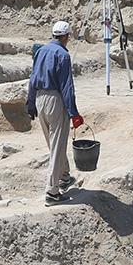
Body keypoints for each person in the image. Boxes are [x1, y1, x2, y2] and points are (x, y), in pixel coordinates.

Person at [26, 21, 83, 204]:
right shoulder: (63, 55)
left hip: (39, 100)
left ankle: (65, 176)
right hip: (55, 100)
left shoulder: (41, 51)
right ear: (66, 37)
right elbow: (67, 87)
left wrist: (30, 102)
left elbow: (33, 78)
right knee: (57, 146)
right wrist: (73, 112)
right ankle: (52, 191)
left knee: (53, 143)